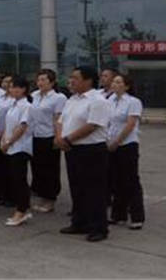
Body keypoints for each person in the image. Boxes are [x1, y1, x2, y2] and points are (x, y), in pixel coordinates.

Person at [56, 66, 113, 242]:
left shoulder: (98, 100)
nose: (71, 81)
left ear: (88, 80)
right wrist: (59, 138)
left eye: (75, 78)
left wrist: (68, 139)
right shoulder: (72, 99)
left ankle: (98, 228)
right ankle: (79, 222)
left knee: (94, 190)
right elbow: (61, 121)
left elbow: (92, 125)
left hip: (91, 150)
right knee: (77, 187)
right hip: (72, 149)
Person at [107, 74, 145, 230]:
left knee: (130, 180)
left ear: (126, 86)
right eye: (113, 81)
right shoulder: (110, 100)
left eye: (118, 82)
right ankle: (118, 215)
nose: (114, 84)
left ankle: (137, 217)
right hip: (110, 144)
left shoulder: (133, 102)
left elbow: (130, 125)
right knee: (116, 180)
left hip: (127, 144)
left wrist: (117, 141)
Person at [30, 69, 67, 213]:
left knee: (50, 169)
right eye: (38, 79)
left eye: (44, 80)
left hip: (49, 136)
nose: (40, 83)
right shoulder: (34, 96)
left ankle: (50, 199)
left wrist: (58, 137)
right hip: (35, 135)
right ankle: (42, 196)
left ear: (52, 82)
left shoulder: (58, 98)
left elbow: (58, 119)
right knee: (37, 168)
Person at [1, 76, 34, 226]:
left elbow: (22, 127)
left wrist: (9, 142)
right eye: (11, 87)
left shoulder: (26, 106)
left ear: (24, 89)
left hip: (20, 147)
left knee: (19, 179)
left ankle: (22, 211)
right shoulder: (13, 105)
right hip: (10, 147)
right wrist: (3, 140)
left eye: (16, 87)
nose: (12, 90)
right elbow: (8, 126)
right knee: (13, 179)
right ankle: (20, 208)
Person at [0, 74, 14, 207]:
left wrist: (5, 134)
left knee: (9, 168)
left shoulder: (15, 99)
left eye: (9, 82)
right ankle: (2, 195)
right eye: (4, 81)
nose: (6, 84)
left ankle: (11, 196)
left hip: (8, 136)